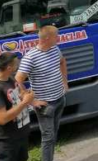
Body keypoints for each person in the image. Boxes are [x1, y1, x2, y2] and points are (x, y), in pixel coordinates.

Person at [16, 26, 67, 161]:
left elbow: (62, 62)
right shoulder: (30, 57)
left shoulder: (55, 49)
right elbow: (17, 81)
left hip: (60, 99)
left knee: (53, 134)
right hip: (45, 105)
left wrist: (65, 83)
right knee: (48, 138)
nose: (59, 38)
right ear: (47, 38)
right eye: (57, 35)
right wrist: (32, 102)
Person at [0, 52, 42, 161]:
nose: (19, 67)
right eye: (17, 65)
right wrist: (25, 102)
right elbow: (2, 119)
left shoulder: (10, 79)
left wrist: (27, 97)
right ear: (9, 68)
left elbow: (20, 94)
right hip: (7, 141)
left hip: (21, 135)